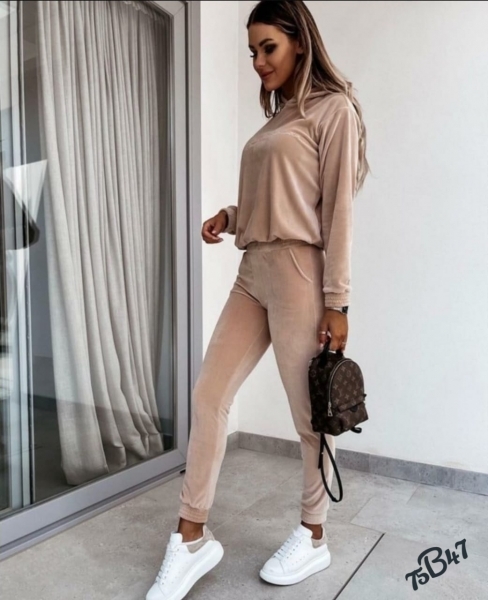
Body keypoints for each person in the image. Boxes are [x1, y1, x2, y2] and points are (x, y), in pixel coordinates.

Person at [145, 1, 370, 598]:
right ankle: (191, 536)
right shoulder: (277, 119)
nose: (258, 61)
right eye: (252, 51)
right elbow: (278, 196)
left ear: (299, 43)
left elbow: (335, 212)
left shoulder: (333, 110)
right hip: (253, 269)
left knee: (309, 416)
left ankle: (314, 534)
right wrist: (232, 215)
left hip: (300, 271)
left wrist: (338, 301)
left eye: (268, 47)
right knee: (209, 394)